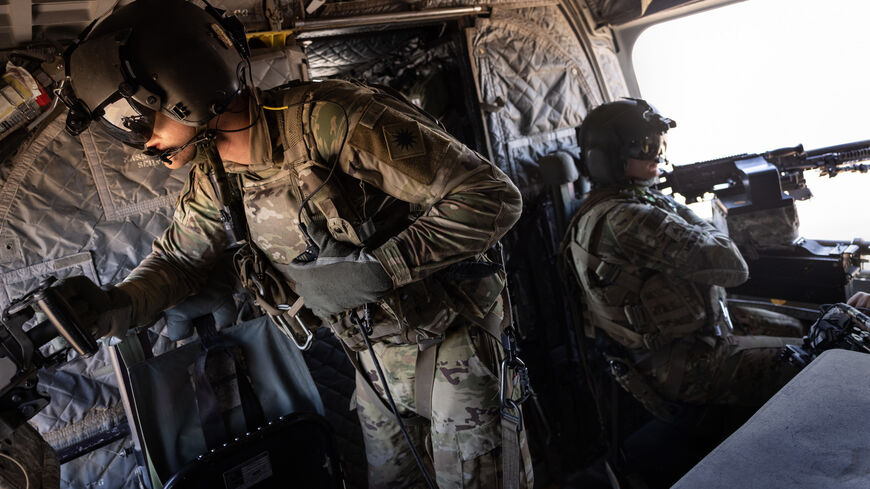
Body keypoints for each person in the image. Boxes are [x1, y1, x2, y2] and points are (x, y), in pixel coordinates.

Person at [54, 0, 532, 488]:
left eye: (138, 119)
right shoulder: (213, 176)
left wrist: (383, 268)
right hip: (372, 358)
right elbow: (180, 260)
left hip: (452, 342)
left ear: (186, 84)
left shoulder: (331, 119)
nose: (143, 144)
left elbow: (491, 196)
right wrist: (118, 303)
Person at [562, 98, 800, 417]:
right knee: (809, 359)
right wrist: (671, 205)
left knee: (797, 328)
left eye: (659, 145)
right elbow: (732, 267)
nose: (657, 156)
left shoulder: (610, 206)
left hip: (686, 340)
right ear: (607, 159)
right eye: (645, 148)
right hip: (682, 367)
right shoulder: (628, 218)